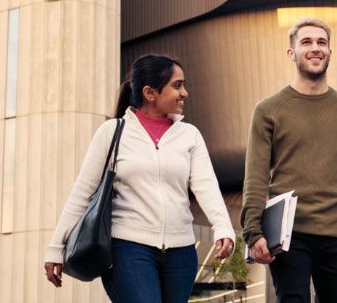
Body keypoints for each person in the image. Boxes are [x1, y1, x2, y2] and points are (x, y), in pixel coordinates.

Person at [44, 54, 235, 303]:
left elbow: (206, 185)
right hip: (128, 248)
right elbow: (82, 192)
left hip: (182, 252)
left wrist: (223, 226)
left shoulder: (190, 135)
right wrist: (55, 248)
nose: (185, 93)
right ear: (150, 92)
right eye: (177, 85)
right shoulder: (112, 132)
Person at [241, 17, 337, 303]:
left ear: (330, 52)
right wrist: (253, 231)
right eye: (306, 42)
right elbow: (255, 176)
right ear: (291, 53)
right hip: (288, 235)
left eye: (322, 42)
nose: (315, 48)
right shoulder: (268, 110)